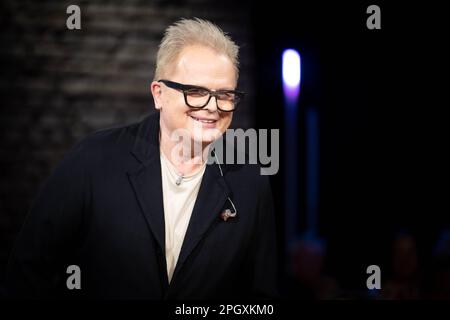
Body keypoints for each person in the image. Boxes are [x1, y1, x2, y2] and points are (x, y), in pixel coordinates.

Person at [6, 18, 278, 299]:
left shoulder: (249, 182)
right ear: (159, 94)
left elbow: (260, 297)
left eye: (224, 94)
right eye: (195, 92)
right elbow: (26, 276)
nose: (212, 107)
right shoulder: (94, 160)